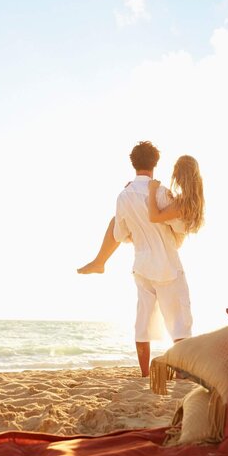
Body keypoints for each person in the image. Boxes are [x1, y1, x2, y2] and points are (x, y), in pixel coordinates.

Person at [77, 142, 205, 377]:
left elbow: (120, 233)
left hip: (142, 265)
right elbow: (180, 227)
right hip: (168, 265)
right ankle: (181, 372)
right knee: (179, 320)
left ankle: (145, 374)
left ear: (133, 163)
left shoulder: (123, 195)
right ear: (155, 164)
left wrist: (137, 234)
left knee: (143, 321)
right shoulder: (163, 193)